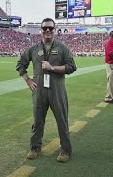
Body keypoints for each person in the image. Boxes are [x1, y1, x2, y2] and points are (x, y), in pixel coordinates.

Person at [16, 18, 77, 163]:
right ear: (41, 31)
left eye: (50, 28)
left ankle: (65, 150)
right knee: (37, 121)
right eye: (45, 28)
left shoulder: (62, 48)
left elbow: (71, 67)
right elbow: (20, 64)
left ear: (54, 30)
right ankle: (35, 147)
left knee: (62, 121)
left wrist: (53, 68)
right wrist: (28, 80)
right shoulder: (33, 49)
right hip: (39, 91)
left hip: (57, 90)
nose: (47, 30)